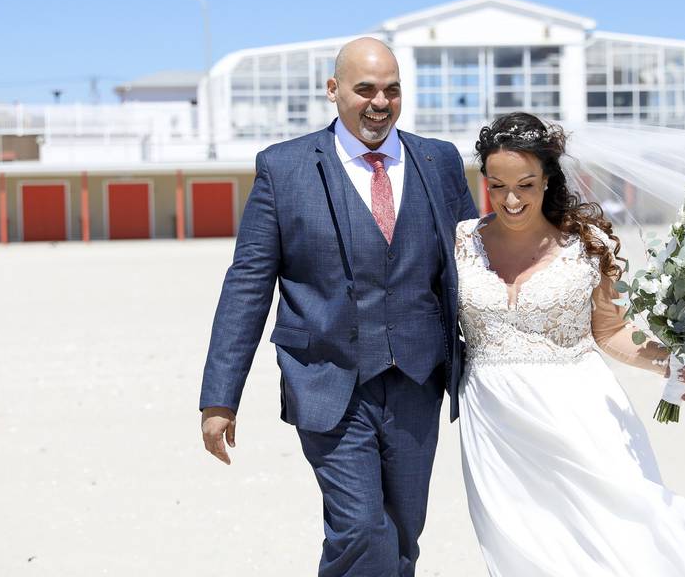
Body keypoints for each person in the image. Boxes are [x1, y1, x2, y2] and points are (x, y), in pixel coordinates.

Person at [455, 112, 685, 576]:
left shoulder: (587, 245)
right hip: (493, 422)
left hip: (580, 415)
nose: (511, 199)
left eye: (526, 185)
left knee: (623, 541)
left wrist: (665, 361)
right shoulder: (461, 242)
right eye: (498, 185)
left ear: (548, 180)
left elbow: (609, 331)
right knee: (521, 551)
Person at [199, 37, 478, 576]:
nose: (380, 102)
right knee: (360, 529)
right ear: (333, 90)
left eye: (392, 90)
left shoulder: (438, 161)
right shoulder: (284, 168)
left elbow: (475, 262)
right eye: (365, 89)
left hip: (418, 380)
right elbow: (247, 285)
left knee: (401, 533)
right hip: (327, 381)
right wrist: (220, 398)